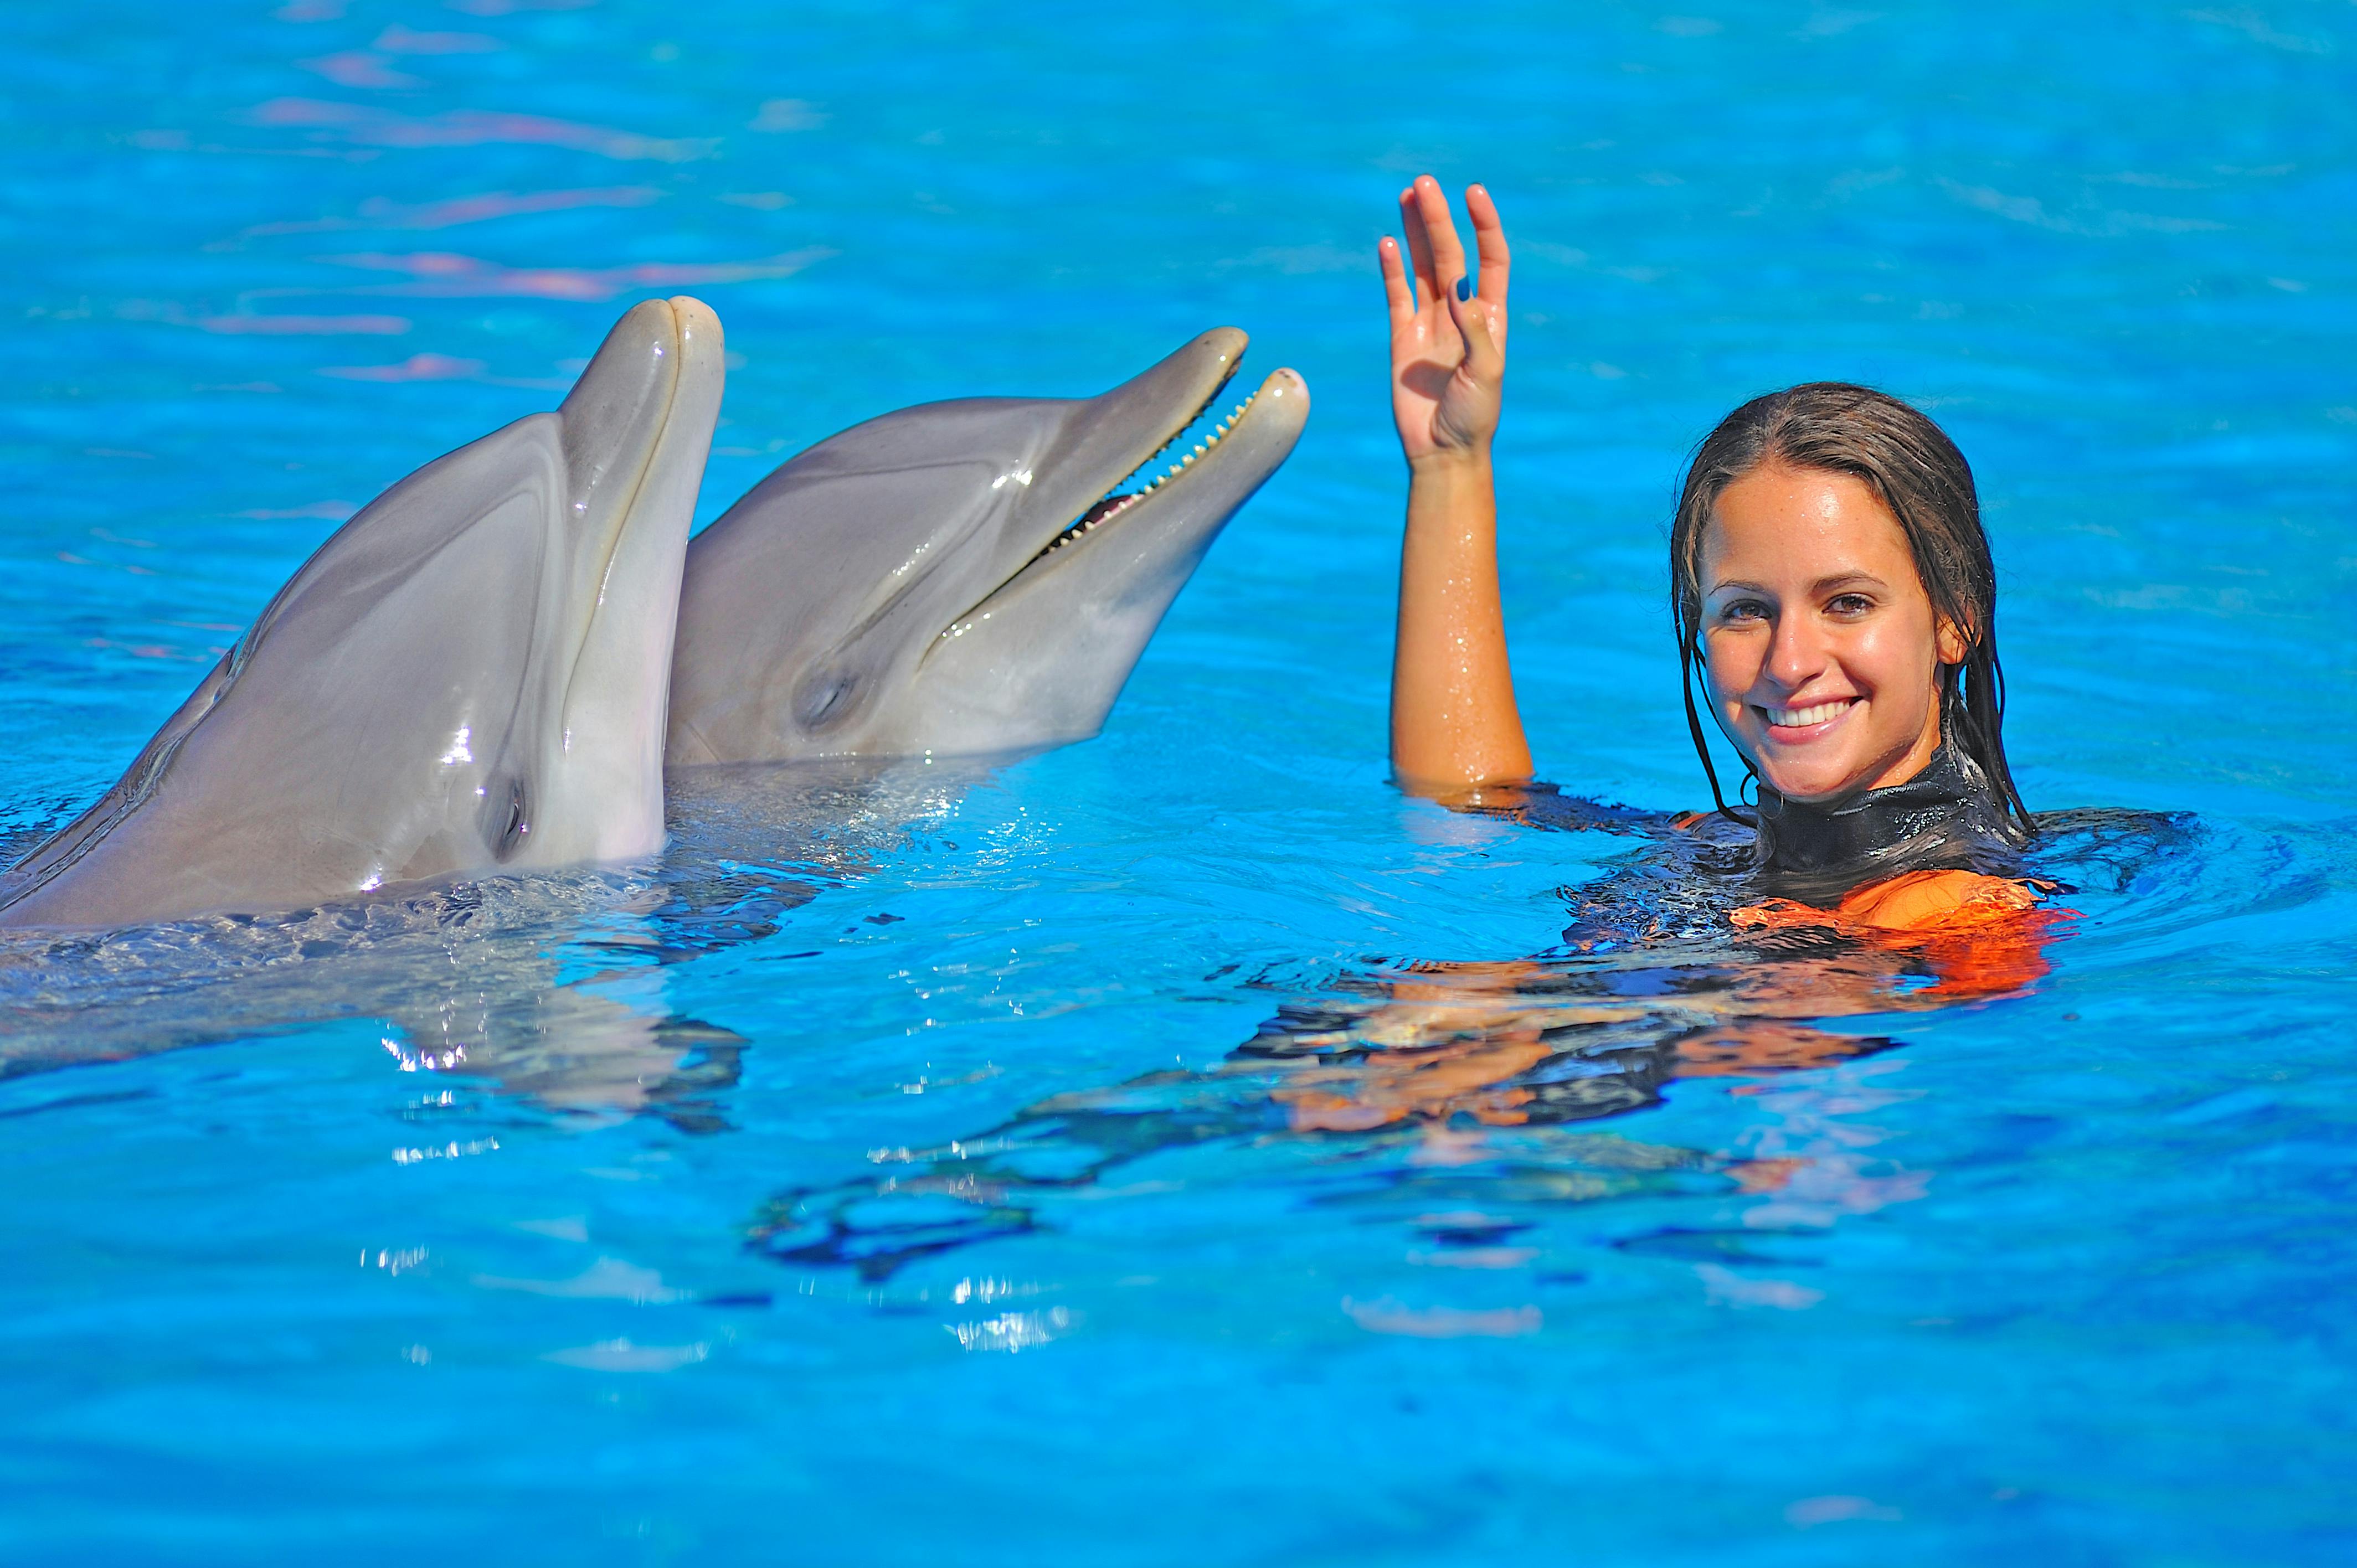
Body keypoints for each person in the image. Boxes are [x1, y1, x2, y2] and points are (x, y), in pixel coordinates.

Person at [1378, 176, 2041, 937]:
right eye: (1747, 610)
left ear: (1956, 621)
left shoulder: (1961, 917)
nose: (1790, 663)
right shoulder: (1724, 845)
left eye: (1847, 603)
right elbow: (1467, 805)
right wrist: (1450, 468)